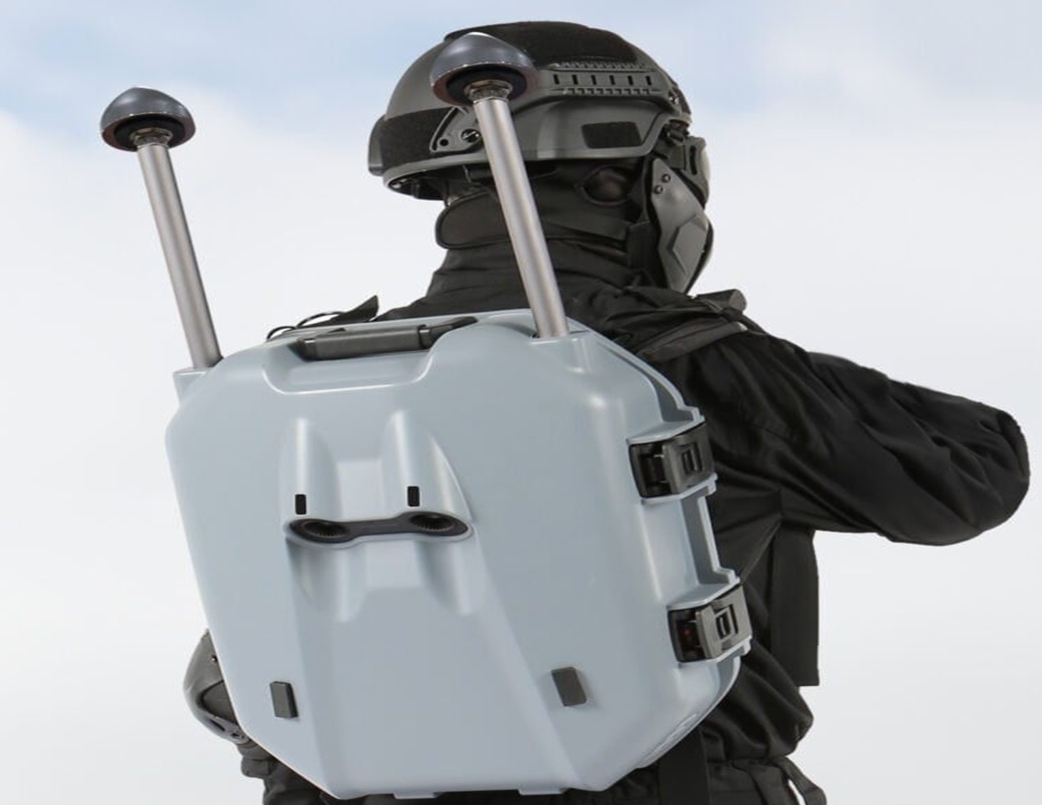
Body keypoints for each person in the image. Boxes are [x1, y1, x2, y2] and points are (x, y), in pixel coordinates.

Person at [184, 21, 1030, 805]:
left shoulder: (308, 378)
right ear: (630, 175)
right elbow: (968, 475)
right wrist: (757, 358)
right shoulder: (684, 360)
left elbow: (231, 676)